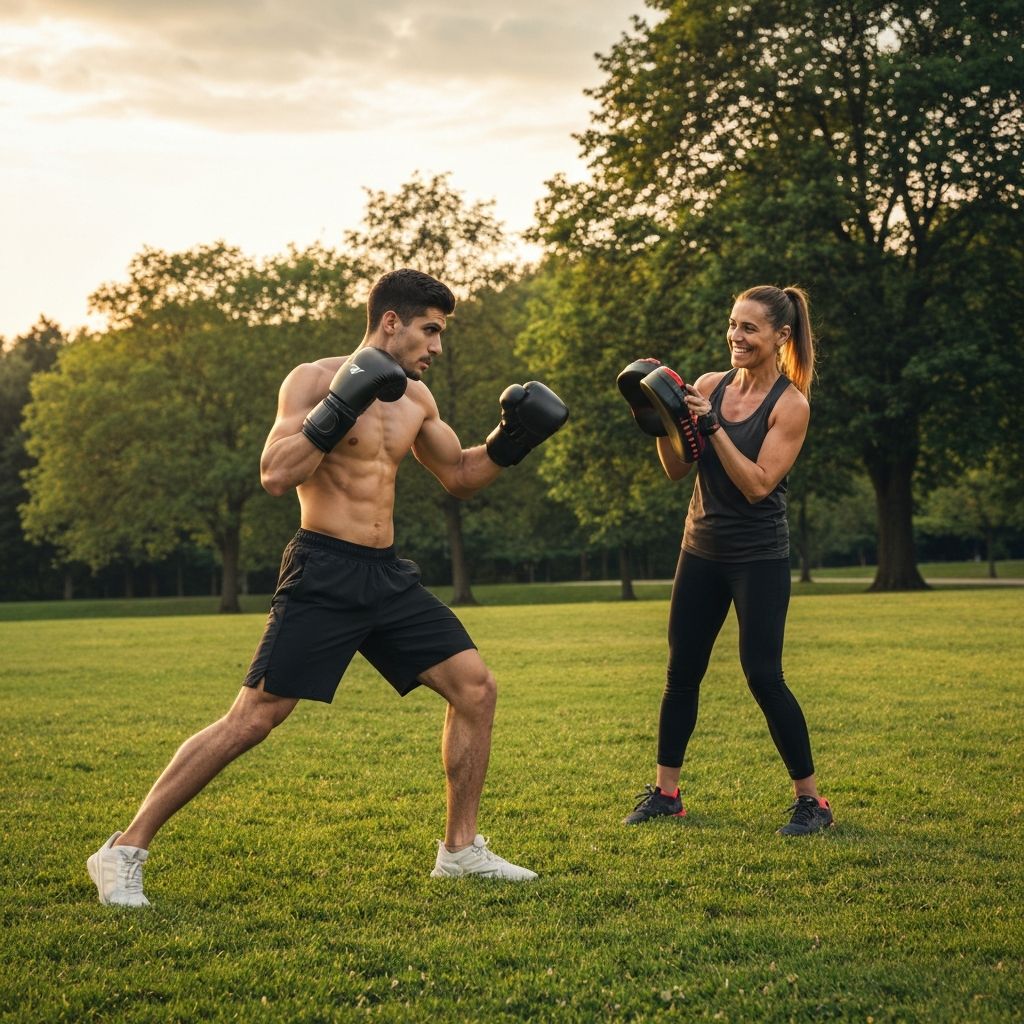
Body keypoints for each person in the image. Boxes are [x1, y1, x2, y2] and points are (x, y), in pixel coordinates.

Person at [88, 268, 569, 906]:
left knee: (475, 688)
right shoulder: (313, 380)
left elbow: (458, 474)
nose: (437, 347)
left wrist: (513, 442)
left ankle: (459, 850)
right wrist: (340, 404)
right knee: (253, 718)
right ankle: (124, 848)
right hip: (323, 569)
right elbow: (274, 474)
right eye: (430, 330)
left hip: (387, 575)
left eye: (441, 334)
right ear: (390, 322)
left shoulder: (417, 401)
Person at [616, 284, 833, 836]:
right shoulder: (709, 385)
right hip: (701, 549)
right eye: (733, 325)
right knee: (680, 673)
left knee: (764, 676)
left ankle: (812, 803)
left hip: (757, 556)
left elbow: (759, 485)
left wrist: (712, 425)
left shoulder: (791, 405)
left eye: (749, 328)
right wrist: (660, 423)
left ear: (781, 336)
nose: (736, 336)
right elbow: (676, 468)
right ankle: (666, 793)